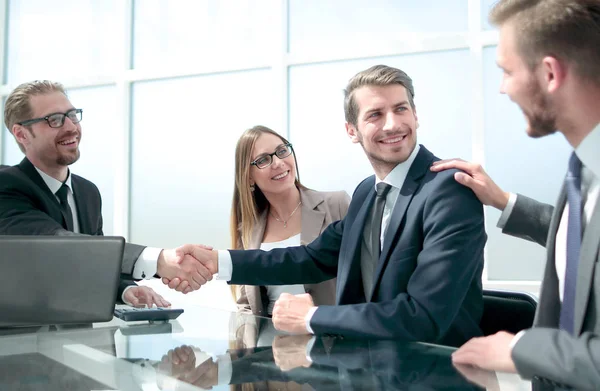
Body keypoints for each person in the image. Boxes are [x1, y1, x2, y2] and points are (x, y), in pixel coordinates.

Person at [168, 65, 487, 346]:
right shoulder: (367, 193)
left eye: (401, 109)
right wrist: (216, 261)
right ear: (352, 131)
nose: (392, 124)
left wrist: (312, 317)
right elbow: (310, 259)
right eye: (375, 114)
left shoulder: (450, 188)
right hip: (367, 370)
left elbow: (424, 316)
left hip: (431, 375)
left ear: (415, 116)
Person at [430, 1, 600, 389]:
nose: (503, 88)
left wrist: (519, 349)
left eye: (506, 71)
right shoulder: (583, 168)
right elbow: (586, 240)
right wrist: (503, 201)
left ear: (550, 73)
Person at [0, 80, 212, 306]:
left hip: (79, 335)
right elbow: (57, 245)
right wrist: (158, 260)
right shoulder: (6, 186)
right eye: (54, 120)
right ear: (22, 134)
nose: (71, 127)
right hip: (20, 338)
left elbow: (91, 262)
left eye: (72, 115)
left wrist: (125, 289)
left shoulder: (87, 192)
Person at [228, 125, 350, 347]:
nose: (277, 162)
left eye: (282, 150)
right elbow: (247, 305)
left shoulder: (338, 205)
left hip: (333, 355)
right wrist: (248, 359)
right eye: (263, 160)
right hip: (272, 356)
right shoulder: (247, 230)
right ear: (249, 178)